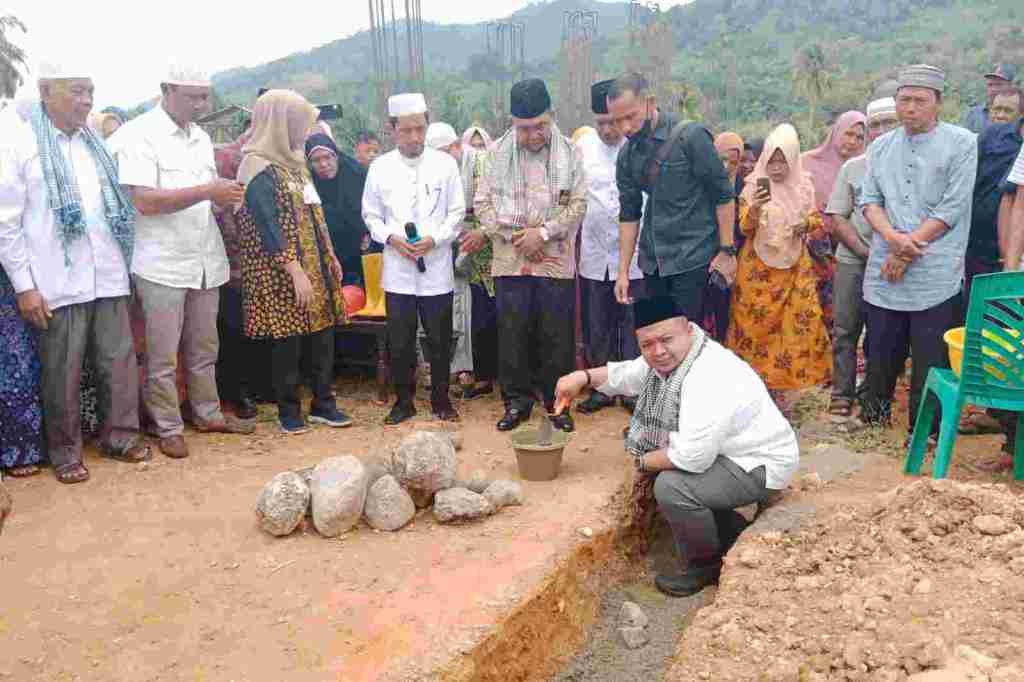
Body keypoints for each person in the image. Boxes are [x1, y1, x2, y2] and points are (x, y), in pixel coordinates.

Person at [553, 296, 799, 597]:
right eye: (647, 345)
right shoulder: (677, 359)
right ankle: (727, 527)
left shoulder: (707, 374)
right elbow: (628, 374)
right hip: (731, 454)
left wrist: (643, 462)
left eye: (666, 340)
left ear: (689, 331)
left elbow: (693, 457)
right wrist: (582, 377)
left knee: (672, 486)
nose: (657, 352)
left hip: (759, 464)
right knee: (666, 464)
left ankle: (704, 565)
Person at [0, 64, 148, 484]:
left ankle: (120, 437)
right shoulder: (21, 144)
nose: (87, 101)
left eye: (91, 92)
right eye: (77, 91)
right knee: (61, 369)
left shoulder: (94, 144)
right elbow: (6, 223)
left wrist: (127, 268)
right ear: (46, 91)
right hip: (56, 281)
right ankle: (65, 451)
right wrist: (25, 287)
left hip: (109, 273)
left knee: (117, 361)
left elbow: (115, 212)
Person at [110, 66, 253, 460]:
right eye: (192, 97)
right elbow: (144, 201)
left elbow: (207, 198)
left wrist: (225, 198)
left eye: (204, 96)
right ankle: (167, 426)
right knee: (162, 353)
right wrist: (208, 190)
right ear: (166, 90)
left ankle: (207, 413)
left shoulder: (201, 136)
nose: (201, 104)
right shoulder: (138, 136)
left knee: (205, 345)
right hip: (162, 262)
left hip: (205, 257)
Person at [858, 65, 977, 442]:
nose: (910, 108)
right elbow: (869, 201)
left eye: (920, 101)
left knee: (931, 357)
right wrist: (893, 239)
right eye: (904, 100)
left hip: (935, 269)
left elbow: (951, 207)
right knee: (880, 350)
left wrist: (906, 252)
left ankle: (925, 433)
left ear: (938, 104)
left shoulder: (962, 143)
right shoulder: (880, 146)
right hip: (884, 268)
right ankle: (873, 426)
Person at [235, 90, 351, 434]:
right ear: (280, 124)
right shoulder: (256, 166)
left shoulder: (296, 164)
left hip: (313, 264)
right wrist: (295, 270)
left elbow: (316, 213)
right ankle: (289, 411)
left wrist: (328, 255)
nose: (304, 132)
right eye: (299, 124)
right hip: (280, 271)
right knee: (288, 341)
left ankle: (323, 404)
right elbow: (267, 224)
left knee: (322, 337)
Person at [475, 78, 586, 432]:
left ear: (551, 116)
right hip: (510, 261)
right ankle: (517, 403)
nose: (533, 134)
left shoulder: (572, 153)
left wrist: (543, 234)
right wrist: (519, 238)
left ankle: (559, 405)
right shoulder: (494, 155)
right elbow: (483, 206)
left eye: (540, 125)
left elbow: (580, 204)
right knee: (513, 334)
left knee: (556, 337)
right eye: (524, 128)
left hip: (555, 261)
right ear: (512, 122)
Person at [362, 93, 466, 424]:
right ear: (392, 129)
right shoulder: (380, 167)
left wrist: (434, 239)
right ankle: (403, 402)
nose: (415, 137)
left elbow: (457, 212)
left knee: (439, 338)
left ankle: (441, 399)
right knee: (401, 340)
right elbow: (371, 216)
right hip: (398, 269)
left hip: (436, 267)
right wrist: (391, 238)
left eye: (420, 129)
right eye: (406, 131)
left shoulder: (445, 164)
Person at [607, 72, 737, 324]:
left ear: (650, 102)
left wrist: (726, 250)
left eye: (630, 117)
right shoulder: (626, 155)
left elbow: (723, 194)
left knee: (689, 339)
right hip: (653, 263)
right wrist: (623, 271)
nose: (624, 128)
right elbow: (629, 213)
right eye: (617, 121)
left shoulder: (691, 137)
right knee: (660, 336)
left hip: (694, 260)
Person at [726, 123, 832, 403]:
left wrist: (804, 224)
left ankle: (782, 389)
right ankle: (753, 389)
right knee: (755, 327)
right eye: (770, 161)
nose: (775, 168)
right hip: (757, 272)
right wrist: (758, 207)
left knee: (797, 326)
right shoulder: (752, 186)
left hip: (795, 267)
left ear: (794, 160)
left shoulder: (803, 186)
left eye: (782, 162)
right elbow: (745, 228)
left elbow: (818, 221)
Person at [824, 97, 901, 419]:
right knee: (845, 327)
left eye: (889, 123)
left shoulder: (908, 168)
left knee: (885, 332)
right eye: (876, 125)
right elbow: (838, 217)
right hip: (853, 260)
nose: (882, 130)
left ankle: (874, 395)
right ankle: (842, 393)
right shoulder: (853, 167)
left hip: (896, 263)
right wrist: (864, 251)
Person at [576, 79, 643, 414]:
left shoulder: (638, 146)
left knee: (632, 324)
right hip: (594, 255)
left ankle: (632, 390)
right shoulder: (582, 148)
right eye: (601, 123)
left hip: (634, 257)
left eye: (613, 122)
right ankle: (600, 389)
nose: (608, 130)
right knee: (597, 325)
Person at [800, 111, 868, 334]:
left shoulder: (866, 169)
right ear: (836, 132)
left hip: (849, 247)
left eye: (860, 137)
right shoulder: (806, 162)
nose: (853, 141)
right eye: (848, 133)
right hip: (811, 249)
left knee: (840, 314)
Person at [212, 131, 263, 420]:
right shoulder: (219, 203)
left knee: (246, 334)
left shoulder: (250, 185)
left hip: (250, 272)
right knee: (230, 336)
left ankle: (250, 389)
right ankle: (234, 394)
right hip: (227, 275)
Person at [425, 121, 475, 394]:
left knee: (466, 312)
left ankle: (466, 368)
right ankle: (444, 369)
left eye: (446, 151)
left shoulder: (477, 166)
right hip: (440, 250)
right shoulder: (432, 171)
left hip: (472, 251)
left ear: (456, 146)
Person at [306, 132, 371, 286]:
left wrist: (367, 232)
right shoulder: (308, 183)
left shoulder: (356, 174)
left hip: (364, 246)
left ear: (336, 156)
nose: (323, 164)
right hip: (330, 251)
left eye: (327, 157)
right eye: (316, 160)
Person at [705, 131, 746, 341]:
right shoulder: (702, 184)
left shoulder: (745, 186)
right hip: (707, 259)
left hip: (736, 259)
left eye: (733, 161)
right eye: (721, 159)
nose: (727, 166)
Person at [961, 63, 1018, 134]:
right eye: (990, 85)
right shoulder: (974, 114)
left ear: (1011, 86)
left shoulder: (1019, 115)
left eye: (999, 84)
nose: (993, 89)